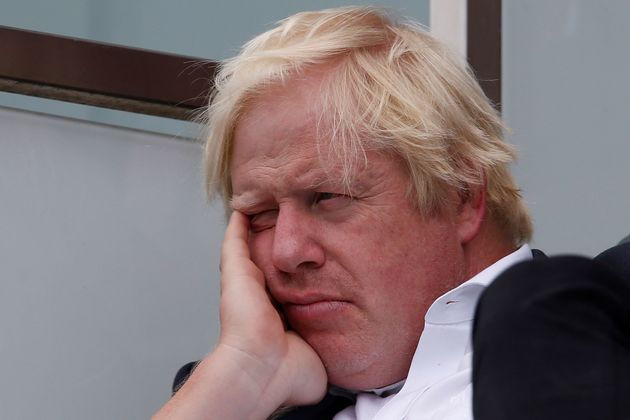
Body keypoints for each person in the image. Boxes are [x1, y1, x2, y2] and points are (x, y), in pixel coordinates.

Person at [153, 6, 534, 420]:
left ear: (459, 194)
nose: (286, 251)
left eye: (328, 196)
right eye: (261, 213)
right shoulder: (244, 403)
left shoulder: (605, 340)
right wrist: (244, 373)